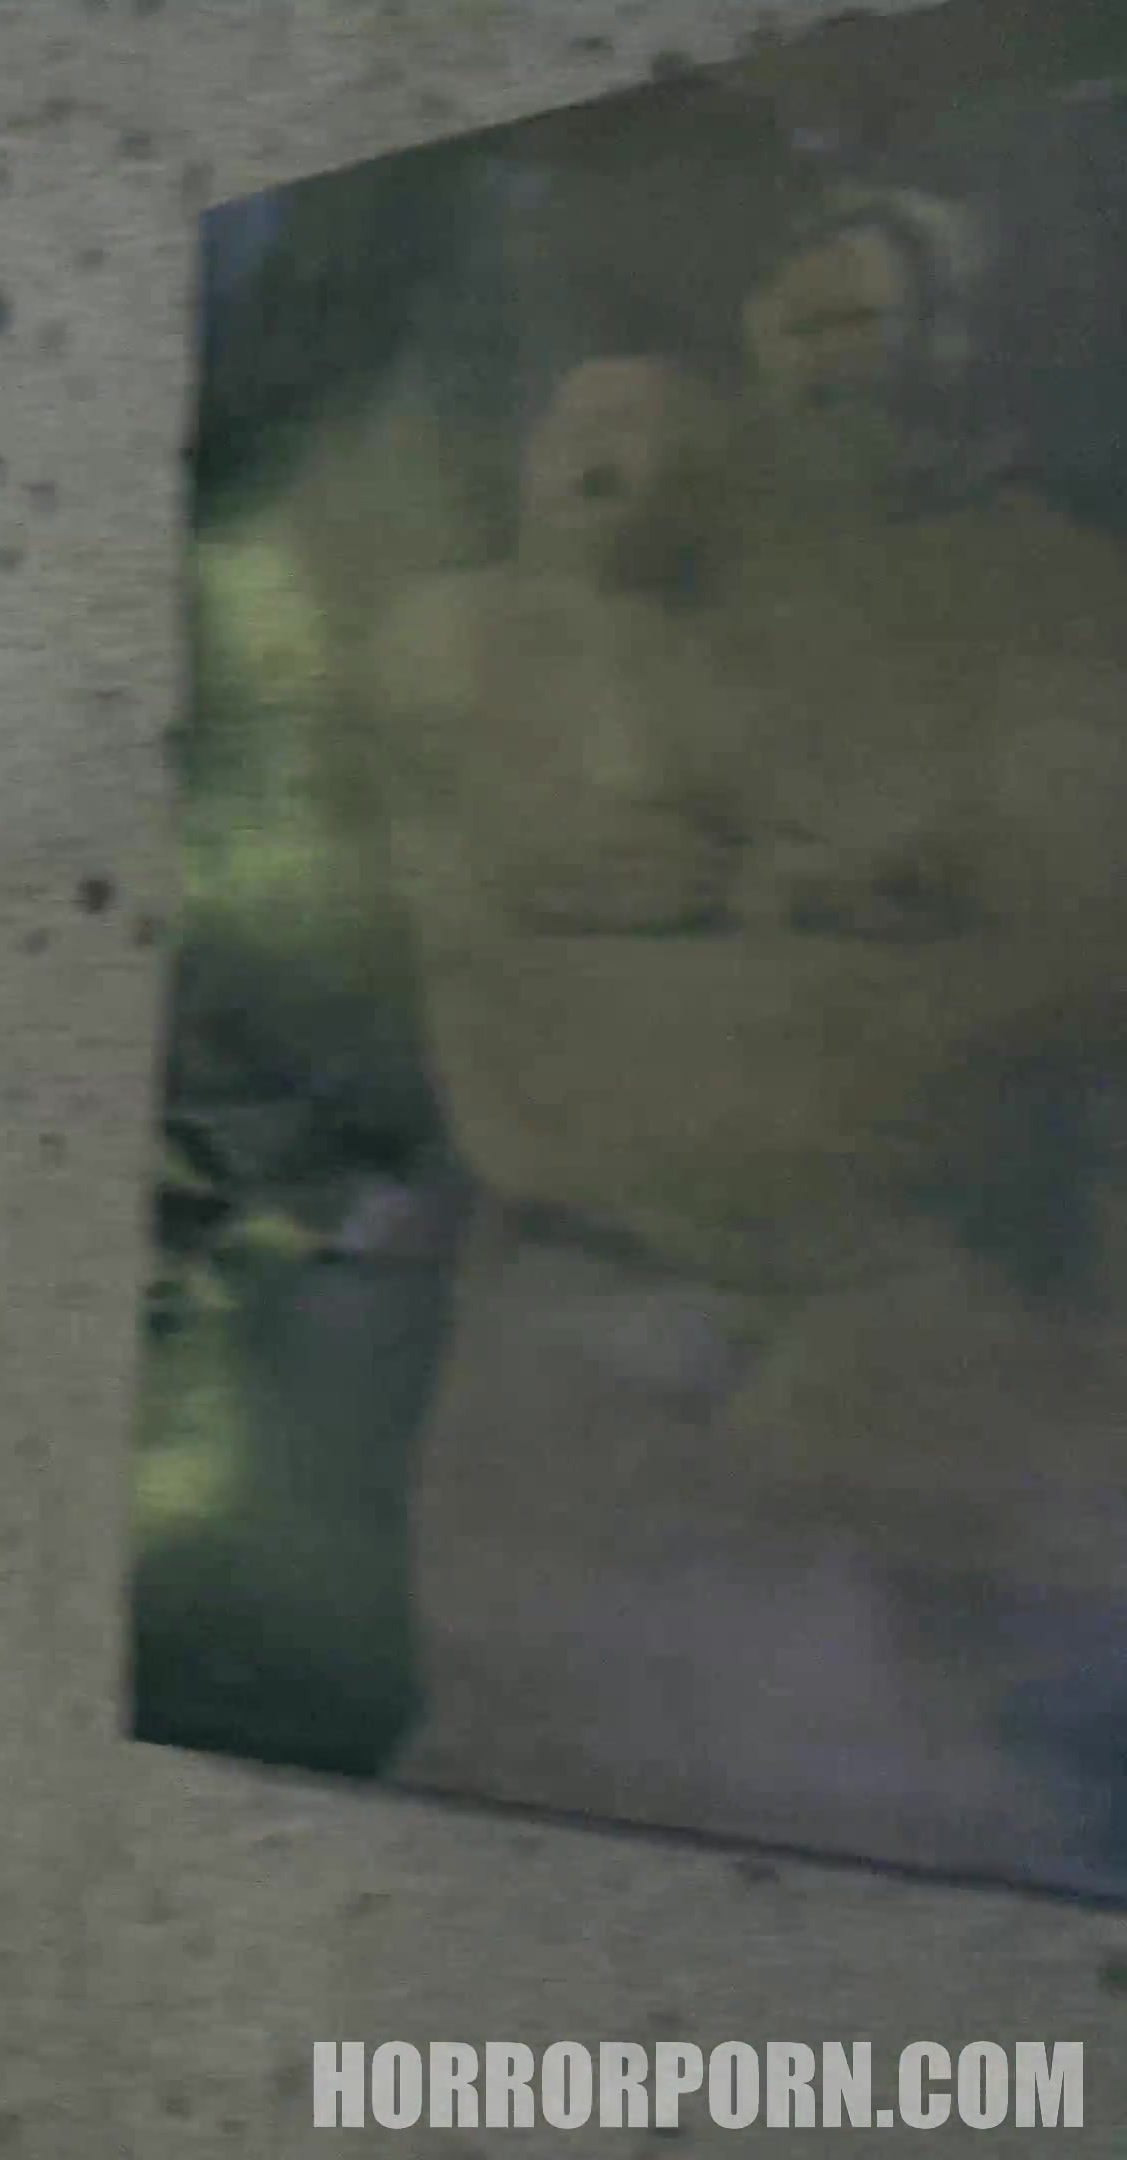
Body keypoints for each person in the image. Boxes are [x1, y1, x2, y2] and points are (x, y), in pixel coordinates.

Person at [375, 185, 1127, 1891]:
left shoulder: (1052, 609)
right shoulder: (518, 636)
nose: (822, 366)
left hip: (926, 1380)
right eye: (799, 327)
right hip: (589, 1375)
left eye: (870, 329)